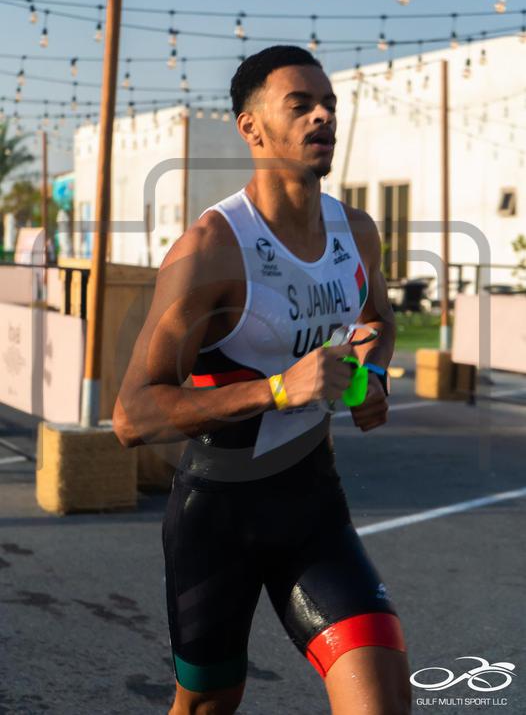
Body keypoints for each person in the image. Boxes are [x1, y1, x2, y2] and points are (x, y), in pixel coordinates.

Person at [113, 45, 411, 715]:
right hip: (218, 516)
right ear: (251, 128)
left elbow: (378, 319)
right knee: (209, 703)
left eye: (328, 104)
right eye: (300, 105)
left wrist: (372, 373)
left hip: (314, 506)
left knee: (384, 697)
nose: (322, 116)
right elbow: (132, 414)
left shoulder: (356, 231)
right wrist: (278, 389)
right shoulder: (211, 248)